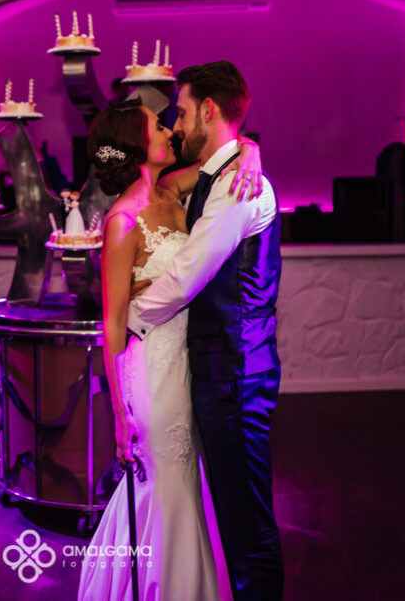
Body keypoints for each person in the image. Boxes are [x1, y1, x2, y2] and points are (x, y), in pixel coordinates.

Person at [77, 95, 260, 601]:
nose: (168, 131)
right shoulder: (121, 221)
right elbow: (113, 323)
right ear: (136, 144)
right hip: (152, 373)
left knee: (186, 483)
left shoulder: (172, 188)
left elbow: (225, 154)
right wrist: (119, 412)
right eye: (156, 126)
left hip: (188, 365)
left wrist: (251, 152)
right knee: (163, 482)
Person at [126, 61, 283, 601]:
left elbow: (188, 275)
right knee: (230, 516)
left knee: (247, 525)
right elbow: (167, 182)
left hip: (235, 372)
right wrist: (249, 145)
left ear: (208, 110)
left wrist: (127, 320)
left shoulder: (240, 183)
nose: (177, 124)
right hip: (219, 370)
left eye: (183, 112)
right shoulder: (217, 174)